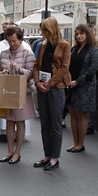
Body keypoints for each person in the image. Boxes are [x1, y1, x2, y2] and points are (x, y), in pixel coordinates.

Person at [33, 17, 71, 171]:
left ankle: (54, 157)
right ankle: (47, 155)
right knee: (44, 123)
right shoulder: (42, 45)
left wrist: (49, 83)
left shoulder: (65, 45)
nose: (42, 33)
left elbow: (64, 68)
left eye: (45, 30)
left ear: (52, 29)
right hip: (42, 86)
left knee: (55, 124)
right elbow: (36, 66)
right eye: (42, 30)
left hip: (56, 87)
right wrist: (38, 83)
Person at [0, 26, 36, 164]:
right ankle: (9, 151)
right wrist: (4, 73)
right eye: (9, 41)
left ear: (20, 39)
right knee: (9, 121)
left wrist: (19, 70)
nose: (12, 44)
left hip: (23, 92)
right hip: (8, 91)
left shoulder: (27, 53)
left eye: (14, 41)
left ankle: (17, 152)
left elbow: (31, 73)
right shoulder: (3, 54)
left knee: (20, 122)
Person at [66, 24, 98, 153]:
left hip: (85, 86)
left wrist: (77, 82)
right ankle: (75, 142)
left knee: (81, 114)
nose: (79, 36)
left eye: (82, 33)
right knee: (73, 114)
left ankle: (81, 143)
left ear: (87, 34)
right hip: (71, 85)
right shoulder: (75, 48)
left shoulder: (93, 50)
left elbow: (92, 70)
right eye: (77, 33)